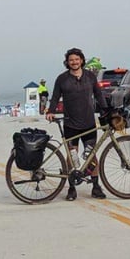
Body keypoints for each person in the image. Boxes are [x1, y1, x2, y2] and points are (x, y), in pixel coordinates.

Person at [46, 47, 108, 200]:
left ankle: (96, 187)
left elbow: (98, 94)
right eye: (71, 60)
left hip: (88, 123)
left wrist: (105, 110)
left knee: (91, 156)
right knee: (72, 157)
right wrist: (51, 111)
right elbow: (55, 96)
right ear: (67, 62)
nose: (74, 62)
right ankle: (72, 188)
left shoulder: (90, 76)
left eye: (76, 59)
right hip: (70, 124)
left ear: (81, 60)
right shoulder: (62, 79)